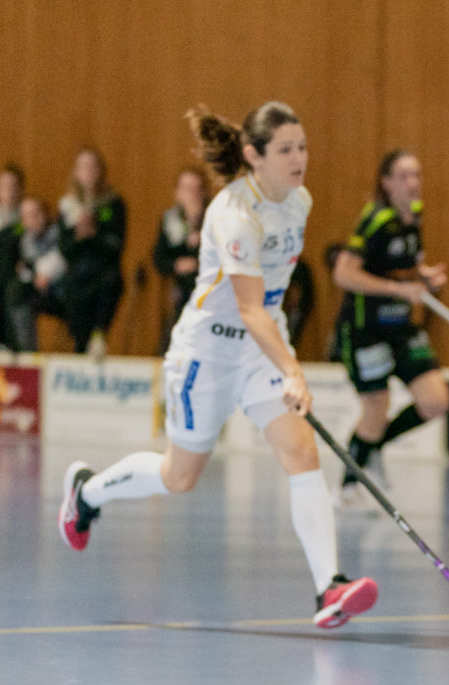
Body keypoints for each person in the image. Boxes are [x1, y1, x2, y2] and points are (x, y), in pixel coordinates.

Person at [57, 102, 377, 630]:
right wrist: (295, 372)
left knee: (301, 452)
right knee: (178, 476)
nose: (299, 158)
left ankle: (329, 588)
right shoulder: (234, 215)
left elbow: (267, 309)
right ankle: (86, 492)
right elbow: (249, 307)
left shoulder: (299, 200)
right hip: (206, 355)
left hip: (258, 352)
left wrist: (282, 366)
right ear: (253, 155)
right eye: (285, 150)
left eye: (303, 147)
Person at [331, 149, 449, 508]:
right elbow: (344, 273)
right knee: (375, 410)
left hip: (401, 328)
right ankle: (348, 486)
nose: (413, 183)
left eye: (417, 175)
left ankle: (374, 446)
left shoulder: (414, 216)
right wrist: (400, 289)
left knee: (435, 401)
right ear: (386, 182)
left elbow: (401, 265)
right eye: (403, 176)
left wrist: (423, 276)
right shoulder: (376, 219)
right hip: (366, 329)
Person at [57, 147, 126, 357]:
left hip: (104, 273)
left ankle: (98, 335)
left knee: (110, 282)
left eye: (92, 166)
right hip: (76, 277)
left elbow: (116, 245)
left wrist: (94, 233)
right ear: (76, 172)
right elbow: (64, 248)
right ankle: (81, 346)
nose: (88, 171)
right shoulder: (68, 206)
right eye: (83, 167)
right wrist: (79, 235)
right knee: (78, 325)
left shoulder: (112, 204)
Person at [152, 167, 209, 350]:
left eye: (196, 189)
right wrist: (176, 265)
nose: (192, 194)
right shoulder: (171, 220)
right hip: (181, 286)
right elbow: (159, 259)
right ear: (177, 193)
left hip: (211, 284)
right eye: (186, 189)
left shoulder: (215, 218)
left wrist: (202, 244)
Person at [6, 197, 66, 352]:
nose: (32, 220)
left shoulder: (61, 233)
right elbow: (27, 271)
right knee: (15, 291)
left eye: (35, 214)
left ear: (45, 213)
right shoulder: (26, 241)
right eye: (26, 216)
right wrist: (34, 274)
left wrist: (45, 272)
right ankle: (25, 351)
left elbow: (64, 257)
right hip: (42, 291)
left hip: (66, 290)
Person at [0, 164, 26, 351]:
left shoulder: (26, 217)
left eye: (13, 186)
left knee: (15, 333)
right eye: (4, 186)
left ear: (20, 189)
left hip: (19, 282)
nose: (9, 191)